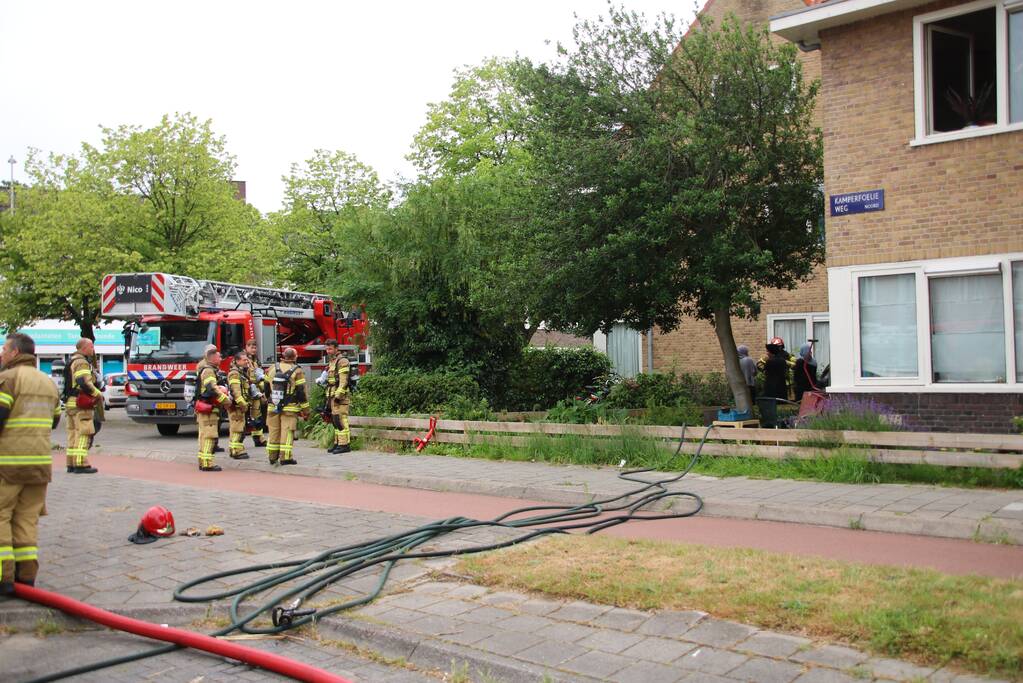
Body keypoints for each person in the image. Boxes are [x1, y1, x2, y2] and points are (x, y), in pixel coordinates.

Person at [0, 332, 60, 595]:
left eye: (4, 349)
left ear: (14, 353)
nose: (1, 354)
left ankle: (4, 578)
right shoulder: (48, 383)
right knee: (27, 519)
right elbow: (56, 420)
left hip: (8, 462)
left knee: (1, 516)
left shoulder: (8, 379)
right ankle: (27, 578)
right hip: (40, 463)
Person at [265, 347, 309, 466]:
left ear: (283, 356)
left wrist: (270, 400)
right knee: (287, 431)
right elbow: (301, 392)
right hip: (290, 407)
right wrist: (306, 410)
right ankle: (285, 457)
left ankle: (272, 456)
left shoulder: (272, 368)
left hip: (272, 406)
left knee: (274, 431)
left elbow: (266, 388)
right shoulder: (297, 371)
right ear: (295, 357)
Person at [64, 338, 101, 474]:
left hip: (71, 403)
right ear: (84, 348)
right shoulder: (81, 362)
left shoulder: (71, 360)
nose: (93, 349)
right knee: (84, 433)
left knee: (72, 433)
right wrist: (97, 394)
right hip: (81, 404)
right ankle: (81, 464)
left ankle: (71, 464)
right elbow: (84, 382)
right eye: (91, 346)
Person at [195, 348, 229, 472]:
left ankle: (203, 461)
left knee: (204, 435)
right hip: (209, 409)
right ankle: (207, 463)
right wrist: (226, 400)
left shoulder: (207, 370)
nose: (221, 359)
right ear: (213, 358)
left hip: (205, 408)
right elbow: (212, 389)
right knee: (209, 436)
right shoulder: (209, 371)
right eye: (219, 357)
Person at [324, 339, 351, 454]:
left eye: (330, 348)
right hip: (331, 394)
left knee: (341, 419)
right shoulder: (332, 361)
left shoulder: (342, 361)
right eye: (327, 348)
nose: (328, 351)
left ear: (336, 348)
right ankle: (337, 443)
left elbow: (343, 381)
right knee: (334, 420)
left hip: (339, 396)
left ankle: (344, 445)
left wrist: (338, 396)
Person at [225, 352, 252, 460]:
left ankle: (235, 449)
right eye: (244, 360)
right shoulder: (235, 373)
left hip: (239, 405)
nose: (246, 361)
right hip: (237, 406)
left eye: (247, 359)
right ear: (237, 361)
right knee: (237, 428)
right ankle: (236, 451)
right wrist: (242, 404)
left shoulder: (241, 372)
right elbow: (235, 391)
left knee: (238, 428)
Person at [243, 339, 267, 447]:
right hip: (247, 390)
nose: (253, 349)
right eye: (251, 347)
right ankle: (237, 442)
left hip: (256, 390)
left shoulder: (256, 361)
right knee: (245, 417)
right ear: (246, 347)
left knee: (257, 415)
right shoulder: (243, 360)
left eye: (255, 347)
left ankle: (258, 438)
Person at [758, 337, 794, 401]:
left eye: (779, 346)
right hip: (780, 383)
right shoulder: (768, 358)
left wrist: (787, 363)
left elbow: (794, 364)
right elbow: (759, 365)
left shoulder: (787, 355)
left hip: (784, 382)